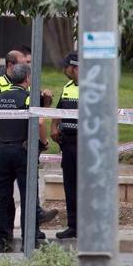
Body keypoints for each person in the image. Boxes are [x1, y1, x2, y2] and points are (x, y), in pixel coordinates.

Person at [0, 49, 58, 229]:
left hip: (21, 142)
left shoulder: (28, 85)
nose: (27, 66)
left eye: (28, 63)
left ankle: (32, 221)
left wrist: (46, 99)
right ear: (10, 65)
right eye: (24, 63)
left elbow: (40, 113)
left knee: (26, 186)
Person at [0, 63, 49, 252]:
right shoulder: (27, 98)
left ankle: (1, 240)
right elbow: (39, 123)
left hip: (3, 151)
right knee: (28, 196)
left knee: (2, 197)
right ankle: (29, 240)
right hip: (23, 150)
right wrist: (44, 142)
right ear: (27, 79)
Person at [51, 52, 79, 239]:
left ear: (75, 67)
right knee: (70, 186)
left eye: (66, 67)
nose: (64, 70)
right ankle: (73, 226)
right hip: (68, 144)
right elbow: (60, 109)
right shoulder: (68, 87)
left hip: (86, 144)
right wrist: (54, 126)